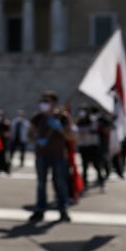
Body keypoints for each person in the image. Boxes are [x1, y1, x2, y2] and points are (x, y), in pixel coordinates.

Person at [27, 91, 76, 223]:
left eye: (47, 101)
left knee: (60, 183)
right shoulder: (37, 117)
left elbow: (71, 136)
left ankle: (63, 210)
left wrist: (59, 128)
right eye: (42, 101)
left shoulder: (62, 117)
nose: (43, 104)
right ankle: (40, 210)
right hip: (41, 155)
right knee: (41, 184)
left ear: (54, 103)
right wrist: (37, 140)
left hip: (58, 156)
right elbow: (29, 135)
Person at [76, 105, 104, 192]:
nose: (82, 113)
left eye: (83, 111)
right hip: (83, 147)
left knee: (97, 166)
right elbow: (76, 133)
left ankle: (101, 184)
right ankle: (84, 186)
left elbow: (94, 130)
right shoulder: (78, 122)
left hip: (93, 146)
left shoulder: (93, 120)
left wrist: (86, 133)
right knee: (84, 167)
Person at [0, 109, 11, 174]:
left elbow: (8, 134)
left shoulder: (5, 123)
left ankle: (3, 168)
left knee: (2, 156)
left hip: (2, 142)